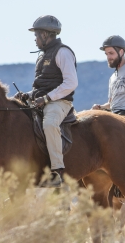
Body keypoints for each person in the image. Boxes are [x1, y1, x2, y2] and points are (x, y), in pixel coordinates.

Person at [15, 15, 78, 188]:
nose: (35, 39)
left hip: (59, 103)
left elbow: (71, 83)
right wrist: (28, 95)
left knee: (50, 124)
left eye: (36, 35)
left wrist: (47, 98)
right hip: (41, 100)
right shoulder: (42, 56)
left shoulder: (63, 52)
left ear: (45, 34)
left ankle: (57, 171)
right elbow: (43, 84)